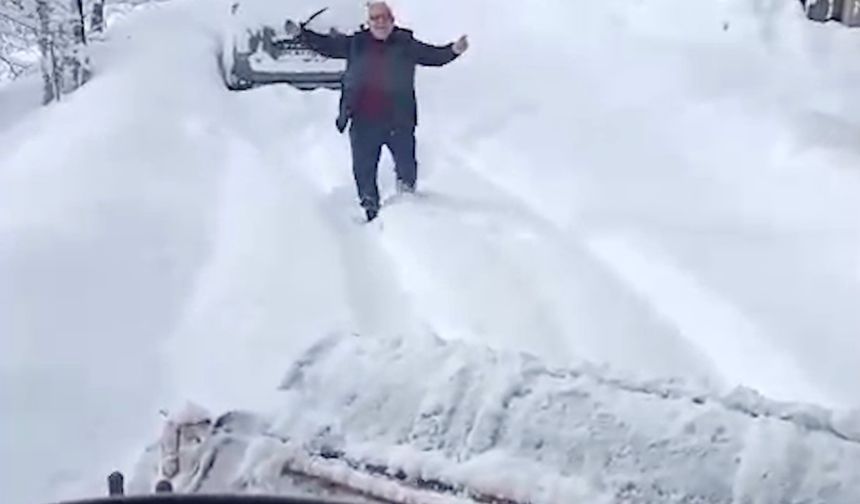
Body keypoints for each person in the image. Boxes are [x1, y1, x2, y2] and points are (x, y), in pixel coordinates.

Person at [288, 1, 469, 222]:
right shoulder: (356, 43)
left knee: (407, 166)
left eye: (385, 18)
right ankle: (371, 210)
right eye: (375, 18)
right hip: (364, 122)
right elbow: (327, 45)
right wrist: (301, 35)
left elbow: (432, 56)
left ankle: (408, 208)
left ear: (392, 21)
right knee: (364, 170)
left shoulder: (405, 43)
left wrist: (453, 50)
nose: (380, 22)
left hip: (398, 121)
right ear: (369, 22)